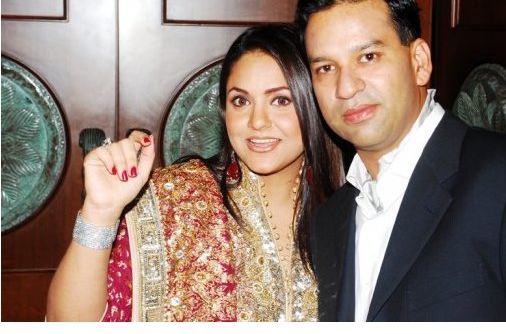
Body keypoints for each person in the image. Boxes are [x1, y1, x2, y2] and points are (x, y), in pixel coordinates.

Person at [294, 0, 506, 322]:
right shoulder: (330, 219)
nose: (346, 87)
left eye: (368, 57)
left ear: (419, 62)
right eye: (325, 68)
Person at [46, 24, 342, 322]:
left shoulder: (348, 208)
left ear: (314, 104)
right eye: (241, 101)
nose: (257, 122)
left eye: (281, 100)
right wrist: (99, 213)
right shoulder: (172, 197)